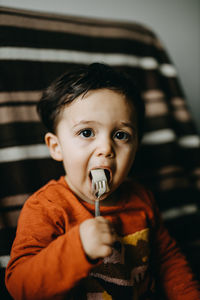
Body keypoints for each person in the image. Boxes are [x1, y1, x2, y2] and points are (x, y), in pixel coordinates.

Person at [5, 63, 200, 300]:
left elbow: (169, 260)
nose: (106, 148)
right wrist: (78, 247)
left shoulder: (141, 198)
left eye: (121, 135)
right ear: (56, 147)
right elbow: (19, 286)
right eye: (86, 132)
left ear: (136, 146)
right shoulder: (46, 208)